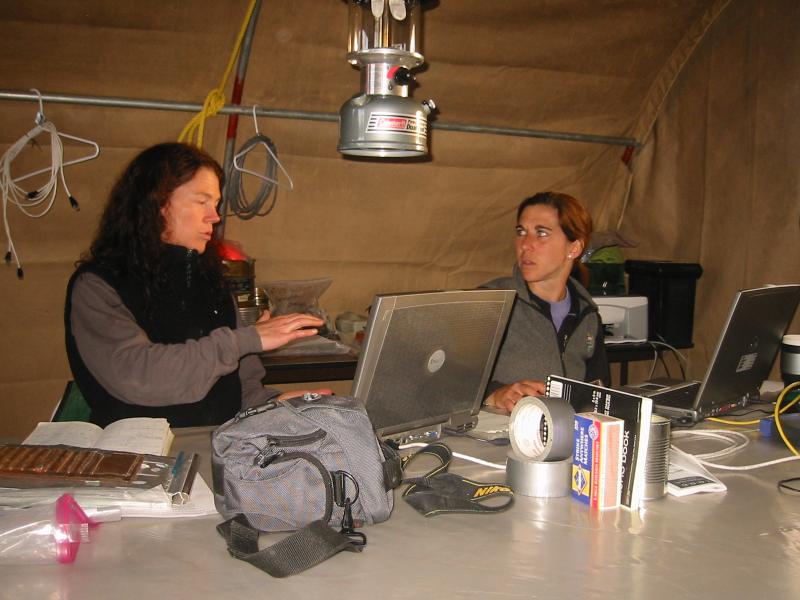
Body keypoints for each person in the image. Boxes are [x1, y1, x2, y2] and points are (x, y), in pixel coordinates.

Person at [64, 142, 329, 427]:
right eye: (202, 201)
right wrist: (248, 339)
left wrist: (275, 405)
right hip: (138, 454)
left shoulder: (212, 281)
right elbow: (139, 376)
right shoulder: (99, 285)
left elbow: (244, 389)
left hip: (216, 442)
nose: (214, 217)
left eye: (215, 204)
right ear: (157, 202)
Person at [481, 192, 610, 414]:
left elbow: (600, 394)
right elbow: (448, 379)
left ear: (574, 248)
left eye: (541, 233)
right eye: (521, 232)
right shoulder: (491, 303)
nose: (526, 245)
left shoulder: (587, 316)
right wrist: (494, 394)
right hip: (498, 441)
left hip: (566, 440)